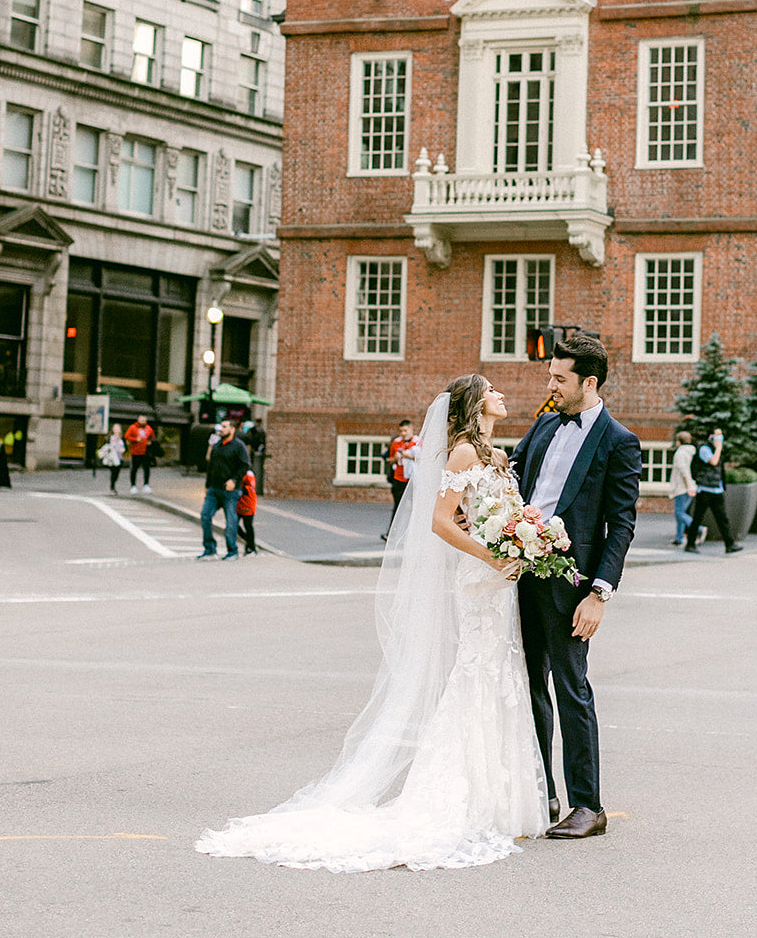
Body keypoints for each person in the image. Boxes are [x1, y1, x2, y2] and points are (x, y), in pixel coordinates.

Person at [197, 373, 547, 872]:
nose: (502, 395)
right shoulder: (464, 453)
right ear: (474, 404)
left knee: (503, 676)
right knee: (478, 675)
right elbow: (440, 521)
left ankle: (501, 799)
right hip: (481, 578)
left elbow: (497, 513)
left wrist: (524, 539)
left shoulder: (495, 455)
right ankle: (466, 797)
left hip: (502, 582)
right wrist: (490, 556)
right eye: (492, 390)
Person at [511, 332, 640, 840]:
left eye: (559, 378)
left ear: (588, 382)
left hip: (573, 586)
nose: (551, 384)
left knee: (571, 689)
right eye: (550, 375)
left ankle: (589, 806)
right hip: (521, 575)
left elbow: (621, 523)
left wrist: (599, 592)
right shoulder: (543, 424)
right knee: (527, 686)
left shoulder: (618, 440)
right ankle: (542, 792)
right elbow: (515, 478)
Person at [683, 428, 743, 554]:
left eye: (721, 435)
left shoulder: (715, 448)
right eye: (717, 435)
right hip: (705, 490)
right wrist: (719, 447)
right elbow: (713, 462)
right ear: (710, 436)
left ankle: (730, 544)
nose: (719, 438)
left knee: (723, 519)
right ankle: (690, 544)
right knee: (698, 518)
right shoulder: (704, 449)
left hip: (716, 490)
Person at [197, 419, 250, 560]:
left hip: (230, 491)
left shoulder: (239, 446)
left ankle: (232, 551)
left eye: (225, 427)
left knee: (231, 521)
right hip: (214, 488)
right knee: (205, 515)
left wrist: (234, 480)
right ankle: (210, 549)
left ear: (232, 429)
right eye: (221, 426)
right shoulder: (217, 445)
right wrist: (207, 486)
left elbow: (245, 465)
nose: (221, 429)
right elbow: (211, 467)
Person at [381, 418, 417, 541]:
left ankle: (414, 534)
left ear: (411, 429)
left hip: (413, 479)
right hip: (399, 478)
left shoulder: (418, 442)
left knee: (415, 507)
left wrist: (410, 455)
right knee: (397, 507)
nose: (403, 433)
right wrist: (396, 458)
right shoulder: (396, 442)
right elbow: (389, 459)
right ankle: (391, 534)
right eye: (401, 431)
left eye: (405, 430)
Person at [668, 430, 695, 546]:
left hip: (681, 488)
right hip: (688, 486)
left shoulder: (680, 454)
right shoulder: (691, 452)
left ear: (679, 442)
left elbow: (684, 471)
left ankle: (697, 528)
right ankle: (679, 538)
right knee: (681, 513)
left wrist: (689, 486)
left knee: (679, 513)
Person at [125, 413, 155, 492]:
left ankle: (146, 484)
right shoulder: (133, 427)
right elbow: (127, 436)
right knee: (134, 469)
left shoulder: (149, 428)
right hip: (135, 452)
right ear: (138, 420)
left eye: (144, 420)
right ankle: (133, 485)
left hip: (145, 452)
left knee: (147, 469)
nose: (143, 421)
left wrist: (150, 442)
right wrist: (135, 439)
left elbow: (153, 437)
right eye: (142, 420)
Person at [97, 424, 127, 495]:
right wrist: (110, 448)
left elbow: (125, 447)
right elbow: (105, 446)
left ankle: (113, 485)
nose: (117, 430)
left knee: (117, 473)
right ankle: (112, 487)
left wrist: (123, 450)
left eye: (118, 429)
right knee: (113, 472)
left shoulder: (122, 438)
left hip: (119, 458)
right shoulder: (110, 438)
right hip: (112, 458)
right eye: (115, 429)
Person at [237, 468, 258, 555]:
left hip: (247, 503)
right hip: (239, 503)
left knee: (248, 525)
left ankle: (251, 547)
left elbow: (249, 488)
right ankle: (249, 541)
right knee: (233, 524)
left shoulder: (249, 474)